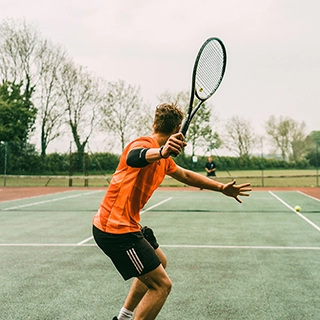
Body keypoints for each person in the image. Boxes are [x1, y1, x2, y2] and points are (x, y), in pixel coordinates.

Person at [92, 102, 251, 320]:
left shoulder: (164, 160)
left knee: (161, 263)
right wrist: (161, 150)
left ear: (154, 123)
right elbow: (134, 157)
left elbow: (185, 175)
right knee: (162, 285)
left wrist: (221, 187)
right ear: (178, 130)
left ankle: (123, 317)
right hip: (114, 231)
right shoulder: (142, 145)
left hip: (125, 225)